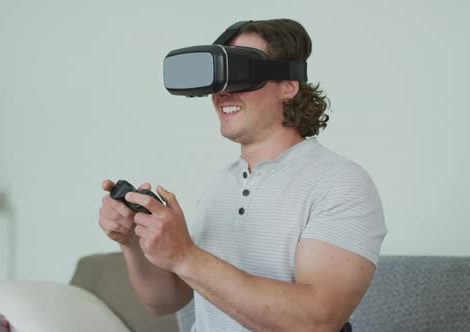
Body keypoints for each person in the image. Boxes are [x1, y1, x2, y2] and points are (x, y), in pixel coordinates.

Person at [99, 19, 387, 332]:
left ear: (289, 85)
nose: (222, 93)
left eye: (239, 74)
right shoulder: (219, 184)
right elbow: (165, 302)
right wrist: (131, 241)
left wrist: (185, 255)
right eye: (218, 81)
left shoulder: (339, 183)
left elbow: (317, 321)